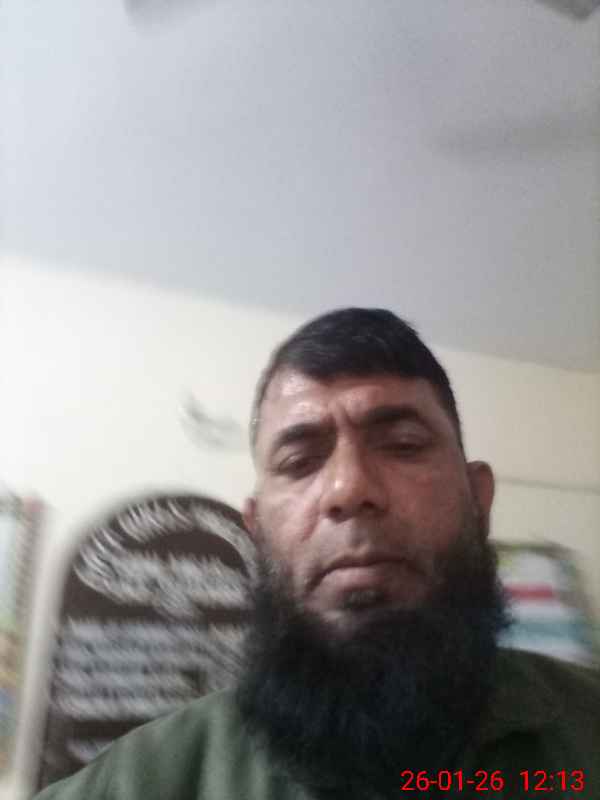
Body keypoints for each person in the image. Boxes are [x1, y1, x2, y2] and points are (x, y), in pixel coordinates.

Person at [35, 308, 600, 800]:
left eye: (403, 445)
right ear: (257, 531)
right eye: (300, 462)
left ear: (478, 501)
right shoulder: (146, 780)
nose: (349, 489)